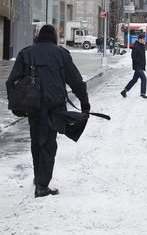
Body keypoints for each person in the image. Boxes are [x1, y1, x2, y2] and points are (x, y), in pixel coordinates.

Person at [6, 24, 90, 198]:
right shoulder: (61, 55)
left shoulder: (26, 53)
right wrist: (85, 104)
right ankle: (42, 185)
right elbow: (76, 82)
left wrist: (16, 105)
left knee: (36, 141)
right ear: (54, 37)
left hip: (33, 106)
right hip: (55, 107)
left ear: (38, 37)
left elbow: (11, 82)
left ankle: (39, 179)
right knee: (48, 144)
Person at [121, 33, 147, 98]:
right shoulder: (136, 46)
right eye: (144, 39)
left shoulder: (141, 45)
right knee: (144, 79)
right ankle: (143, 94)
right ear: (140, 39)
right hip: (138, 66)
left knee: (134, 80)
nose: (145, 40)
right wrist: (139, 63)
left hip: (140, 66)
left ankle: (124, 91)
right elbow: (133, 57)